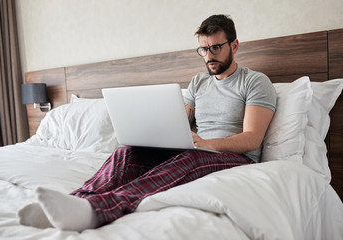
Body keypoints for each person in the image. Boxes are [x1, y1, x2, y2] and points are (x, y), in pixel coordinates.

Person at [18, 14, 276, 232]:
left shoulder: (254, 82)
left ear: (235, 45)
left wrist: (206, 143)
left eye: (216, 48)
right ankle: (74, 201)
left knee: (190, 159)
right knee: (127, 151)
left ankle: (99, 209)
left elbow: (252, 138)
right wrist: (160, 133)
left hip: (236, 158)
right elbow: (181, 119)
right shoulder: (199, 81)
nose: (209, 55)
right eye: (203, 49)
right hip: (197, 149)